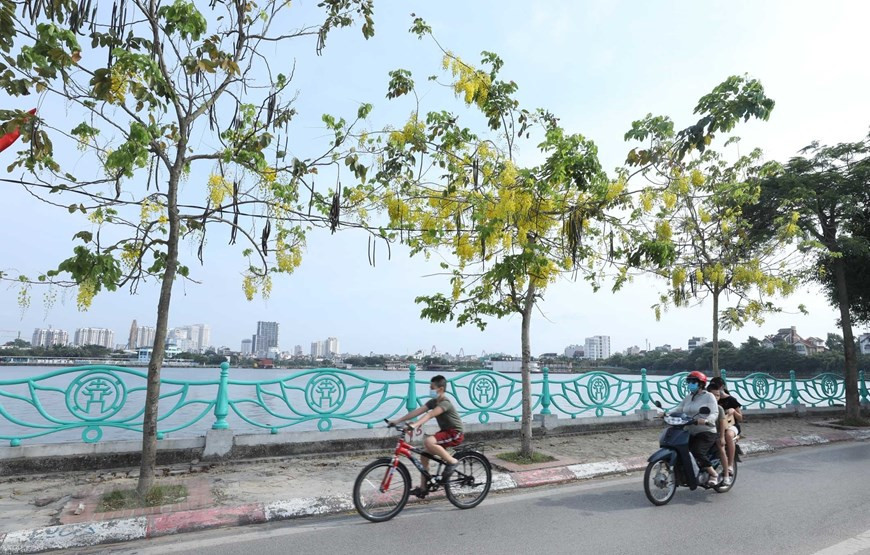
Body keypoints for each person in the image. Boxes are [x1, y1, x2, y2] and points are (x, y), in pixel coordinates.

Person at [388, 375, 463, 498]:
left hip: (455, 433)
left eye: (432, 387)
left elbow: (430, 415)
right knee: (424, 455)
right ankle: (423, 488)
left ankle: (452, 462)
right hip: (445, 432)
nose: (430, 390)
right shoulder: (433, 402)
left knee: (428, 441)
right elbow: (418, 411)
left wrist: (415, 425)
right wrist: (397, 421)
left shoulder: (445, 403)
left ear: (441, 389)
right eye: (430, 387)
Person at [671, 371, 721, 486]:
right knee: (679, 449)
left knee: (697, 451)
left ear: (701, 384)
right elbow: (678, 409)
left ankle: (713, 474)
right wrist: (665, 414)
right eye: (689, 382)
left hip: (706, 431)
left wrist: (707, 420)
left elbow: (714, 412)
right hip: (690, 431)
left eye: (693, 382)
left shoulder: (709, 396)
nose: (690, 384)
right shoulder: (688, 397)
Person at [709, 376, 743, 482]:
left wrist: (734, 411)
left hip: (731, 425)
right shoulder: (711, 399)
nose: (716, 390)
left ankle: (729, 465)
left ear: (722, 386)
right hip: (717, 426)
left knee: (728, 435)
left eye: (717, 386)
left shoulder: (731, 399)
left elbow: (741, 418)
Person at [707, 381, 732, 485]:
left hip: (716, 433)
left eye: (718, 395)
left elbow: (722, 424)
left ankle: (726, 475)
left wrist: (722, 437)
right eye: (713, 395)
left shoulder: (719, 408)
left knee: (720, 448)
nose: (716, 397)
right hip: (706, 433)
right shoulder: (702, 406)